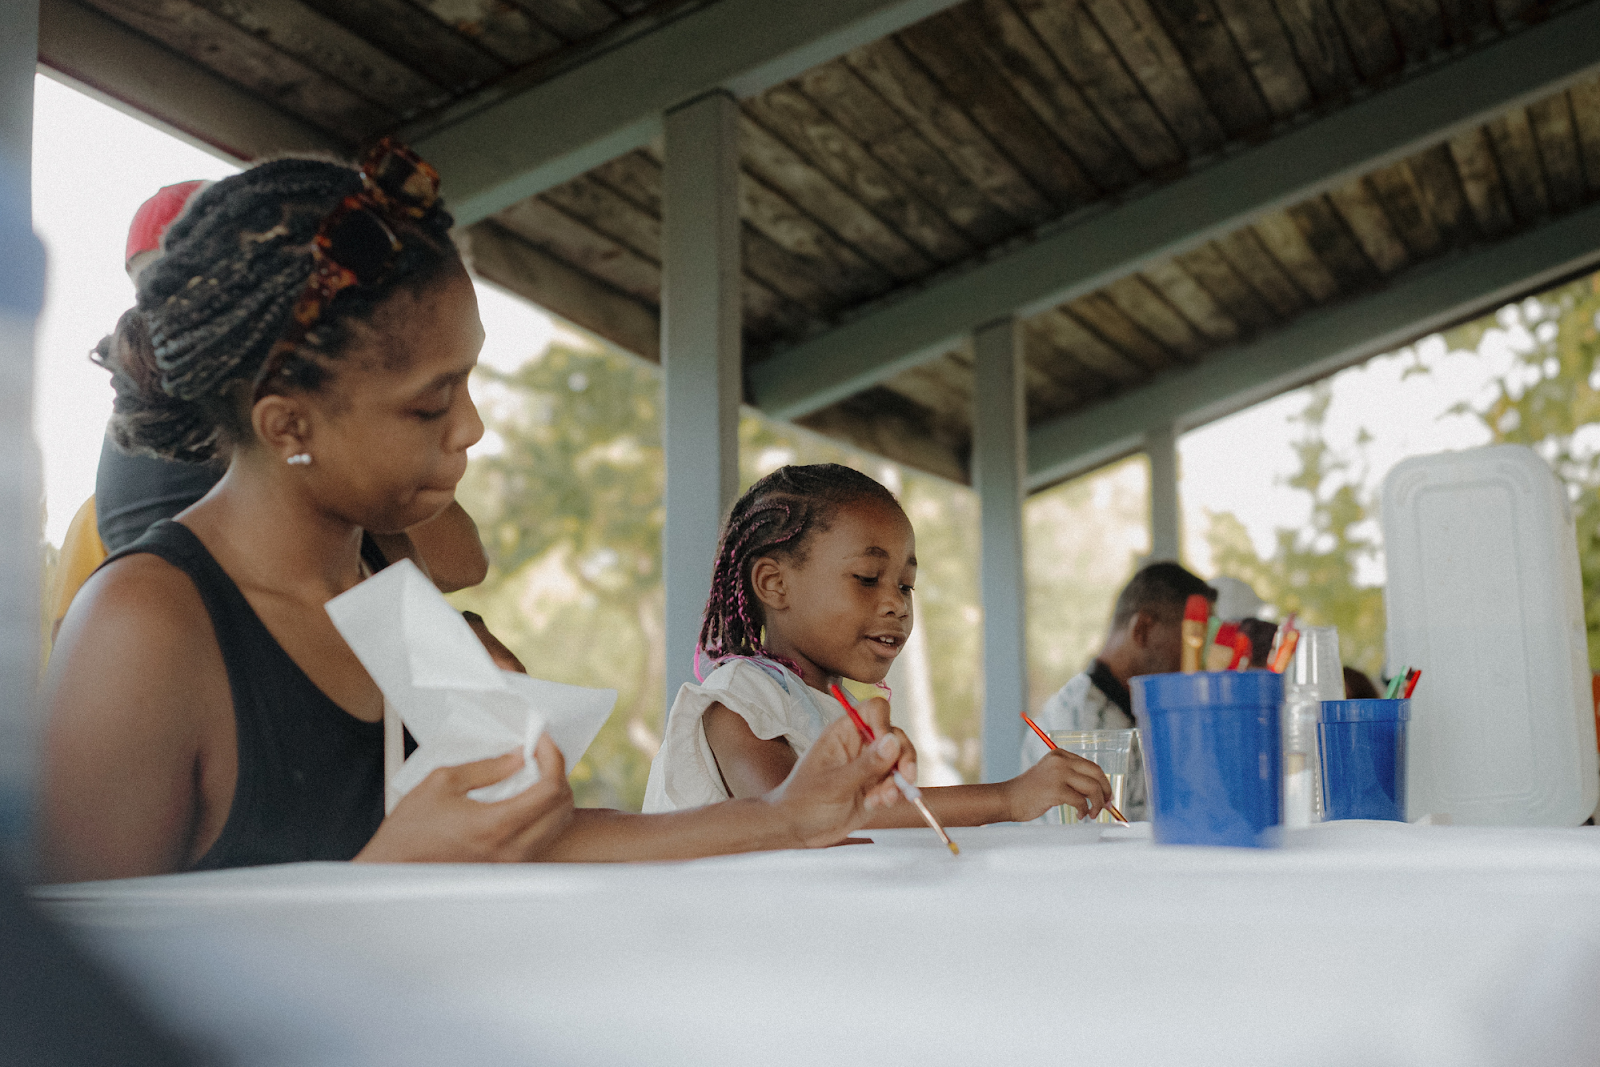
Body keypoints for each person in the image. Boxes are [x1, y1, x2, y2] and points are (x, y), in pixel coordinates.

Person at [38, 144, 913, 884]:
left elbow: (550, 839)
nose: (472, 427)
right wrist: (389, 873)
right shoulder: (145, 628)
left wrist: (788, 816)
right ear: (288, 423)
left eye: (469, 382)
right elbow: (61, 1004)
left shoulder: (399, 609)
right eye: (431, 404)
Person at [643, 463, 1112, 826]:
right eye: (867, 579)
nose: (896, 604)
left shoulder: (832, 710)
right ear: (774, 583)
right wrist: (1007, 798)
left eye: (905, 585)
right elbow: (805, 818)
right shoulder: (738, 701)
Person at [1026, 561, 1218, 821]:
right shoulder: (1083, 726)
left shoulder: (1136, 713)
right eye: (1193, 641)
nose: (1201, 662)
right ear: (1143, 629)